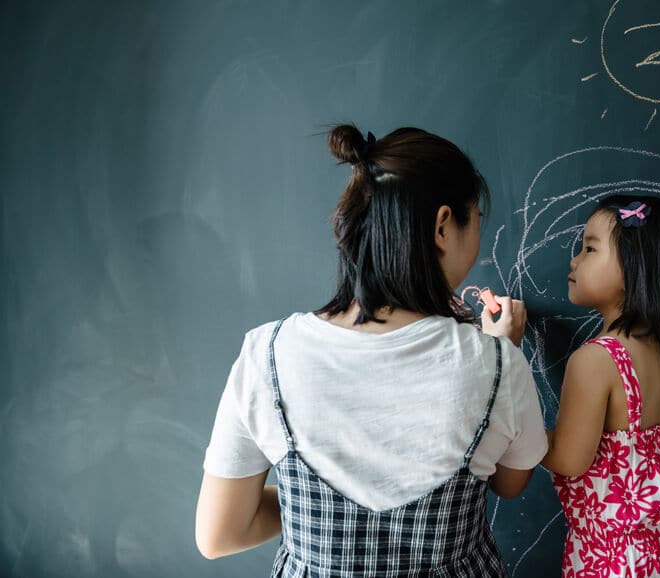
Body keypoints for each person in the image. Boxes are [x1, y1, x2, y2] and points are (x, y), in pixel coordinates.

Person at [195, 124, 548, 577]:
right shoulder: (497, 364)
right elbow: (510, 481)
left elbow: (220, 533)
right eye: (476, 220)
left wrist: (323, 513)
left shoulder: (267, 355)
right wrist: (502, 351)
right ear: (443, 226)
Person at [542, 195, 660, 578]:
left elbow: (569, 459)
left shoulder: (596, 360)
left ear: (635, 268)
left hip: (610, 558)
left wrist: (522, 431)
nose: (574, 260)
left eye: (589, 248)